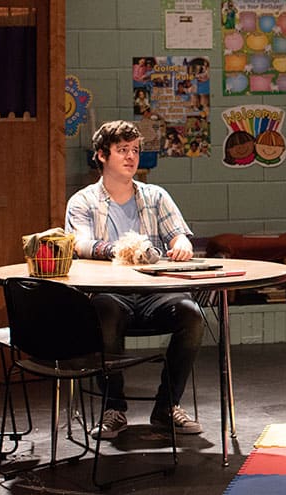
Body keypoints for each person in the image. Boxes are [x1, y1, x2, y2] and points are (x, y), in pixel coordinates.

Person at [65, 120, 204, 440]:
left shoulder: (155, 196)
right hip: (111, 292)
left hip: (154, 290)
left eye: (135, 150)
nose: (131, 157)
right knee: (105, 312)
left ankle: (167, 407)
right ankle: (114, 408)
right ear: (102, 155)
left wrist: (181, 243)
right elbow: (80, 243)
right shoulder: (83, 201)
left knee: (191, 315)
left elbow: (178, 236)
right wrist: (121, 249)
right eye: (122, 150)